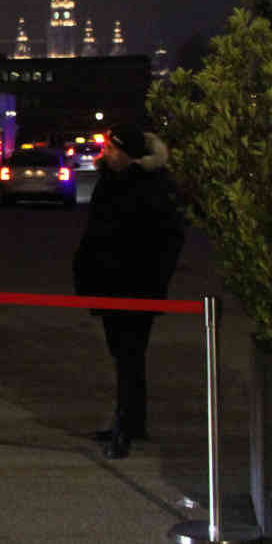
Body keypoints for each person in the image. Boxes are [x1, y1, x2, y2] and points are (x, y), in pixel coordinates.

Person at [73, 123, 185, 460]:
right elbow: (96, 231)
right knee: (123, 356)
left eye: (112, 148)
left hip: (137, 287)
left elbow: (168, 239)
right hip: (108, 285)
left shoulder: (152, 184)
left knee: (130, 355)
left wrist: (153, 280)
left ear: (128, 154)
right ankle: (132, 422)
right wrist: (86, 273)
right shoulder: (110, 180)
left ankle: (125, 428)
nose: (106, 152)